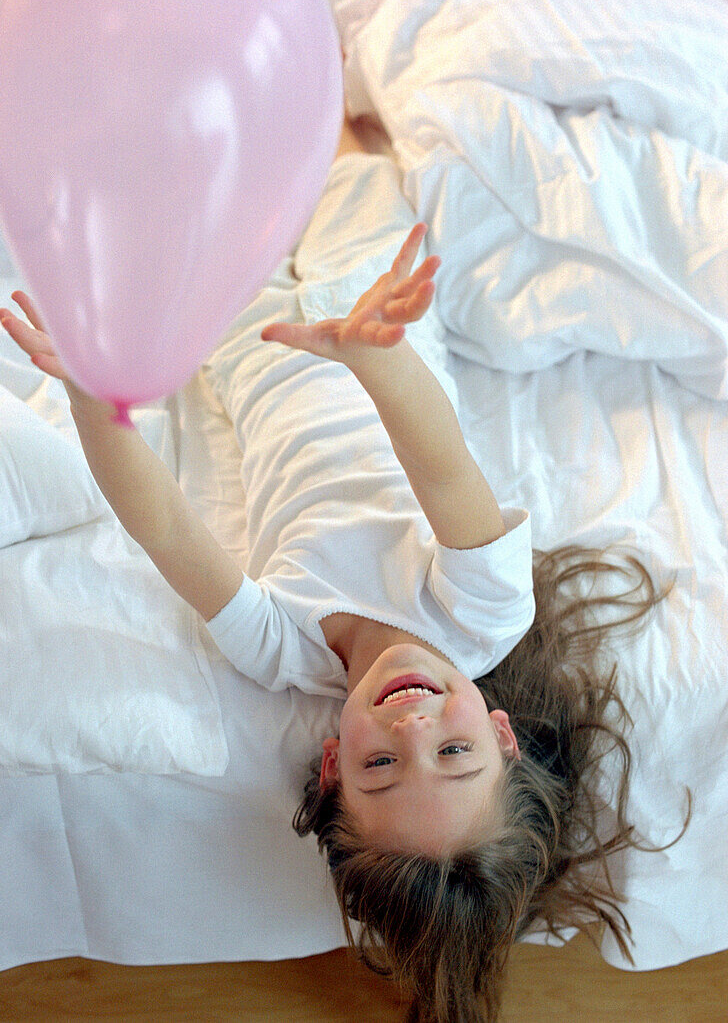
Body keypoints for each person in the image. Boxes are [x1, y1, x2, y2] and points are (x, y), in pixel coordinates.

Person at [0, 119, 683, 1023]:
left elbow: (166, 528)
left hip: (257, 350)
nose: (411, 724)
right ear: (503, 731)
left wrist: (98, 397)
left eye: (381, 766)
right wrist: (376, 358)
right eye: (453, 750)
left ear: (331, 763)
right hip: (376, 327)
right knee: (344, 158)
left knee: (219, 171)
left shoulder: (282, 649)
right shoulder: (484, 612)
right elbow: (439, 465)